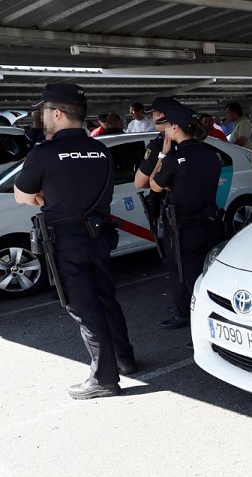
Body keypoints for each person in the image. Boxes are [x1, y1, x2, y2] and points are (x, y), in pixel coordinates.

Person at [14, 83, 136, 399]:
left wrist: (43, 195)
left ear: (56, 113)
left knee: (84, 307)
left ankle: (104, 378)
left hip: (66, 241)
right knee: (106, 298)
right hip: (100, 236)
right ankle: (125, 359)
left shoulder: (44, 154)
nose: (41, 117)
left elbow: (22, 195)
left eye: (43, 111)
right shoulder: (102, 150)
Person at [150, 99, 222, 330]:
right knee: (208, 276)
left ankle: (203, 330)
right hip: (211, 224)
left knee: (188, 279)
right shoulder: (211, 154)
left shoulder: (173, 159)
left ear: (175, 128)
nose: (166, 129)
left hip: (184, 230)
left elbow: (154, 185)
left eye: (168, 125)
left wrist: (162, 156)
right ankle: (195, 317)